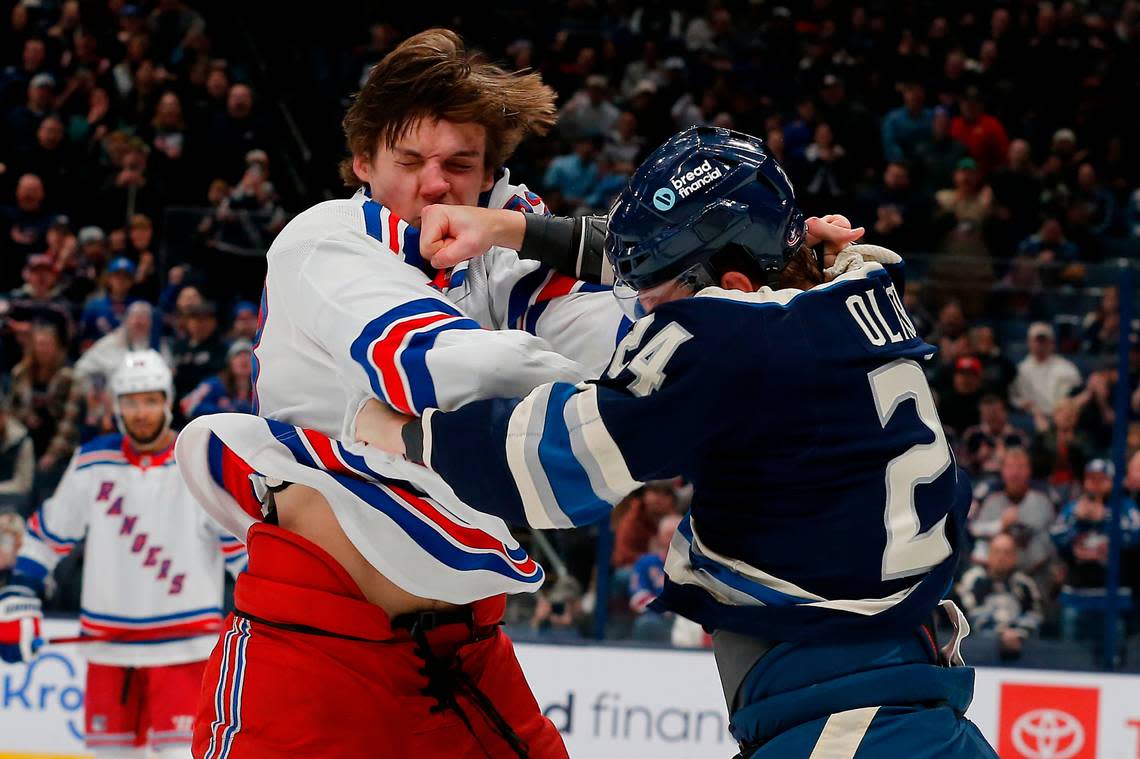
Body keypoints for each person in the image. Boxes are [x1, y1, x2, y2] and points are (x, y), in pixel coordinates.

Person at [357, 126, 995, 758]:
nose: (639, 308)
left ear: (737, 285)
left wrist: (397, 432)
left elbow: (552, 462)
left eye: (658, 295)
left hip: (846, 722)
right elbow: (686, 253)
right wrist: (507, 230)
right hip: (909, 697)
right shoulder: (852, 282)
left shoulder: (730, 341)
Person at [171, 29, 626, 758]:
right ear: (363, 162)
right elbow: (442, 371)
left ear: (489, 174)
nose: (435, 184)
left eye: (459, 164)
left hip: (468, 645)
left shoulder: (506, 240)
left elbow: (618, 341)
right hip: (316, 649)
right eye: (410, 162)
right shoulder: (325, 239)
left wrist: (764, 281)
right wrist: (618, 391)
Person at [0, 351, 246, 758]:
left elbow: (242, 554)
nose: (141, 412)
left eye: (150, 400)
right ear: (117, 407)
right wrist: (19, 595)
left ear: (167, 402)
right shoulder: (93, 462)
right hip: (108, 648)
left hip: (184, 651)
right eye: (131, 402)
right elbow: (47, 536)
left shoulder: (198, 463)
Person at [955, 532, 1043, 661]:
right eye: (997, 552)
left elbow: (1035, 614)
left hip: (1020, 647)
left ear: (1015, 557)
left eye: (1007, 552)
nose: (1001, 557)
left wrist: (1018, 633)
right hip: (978, 647)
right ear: (989, 555)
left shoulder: (1025, 584)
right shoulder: (973, 579)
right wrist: (1001, 633)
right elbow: (970, 612)